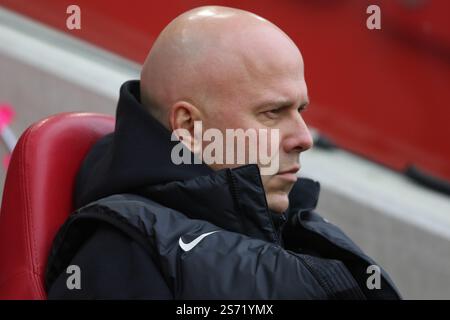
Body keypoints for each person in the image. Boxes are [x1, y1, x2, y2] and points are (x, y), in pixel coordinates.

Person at [45, 6, 401, 299]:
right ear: (189, 127)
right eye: (272, 113)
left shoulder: (290, 224)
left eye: (300, 111)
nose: (303, 138)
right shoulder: (124, 256)